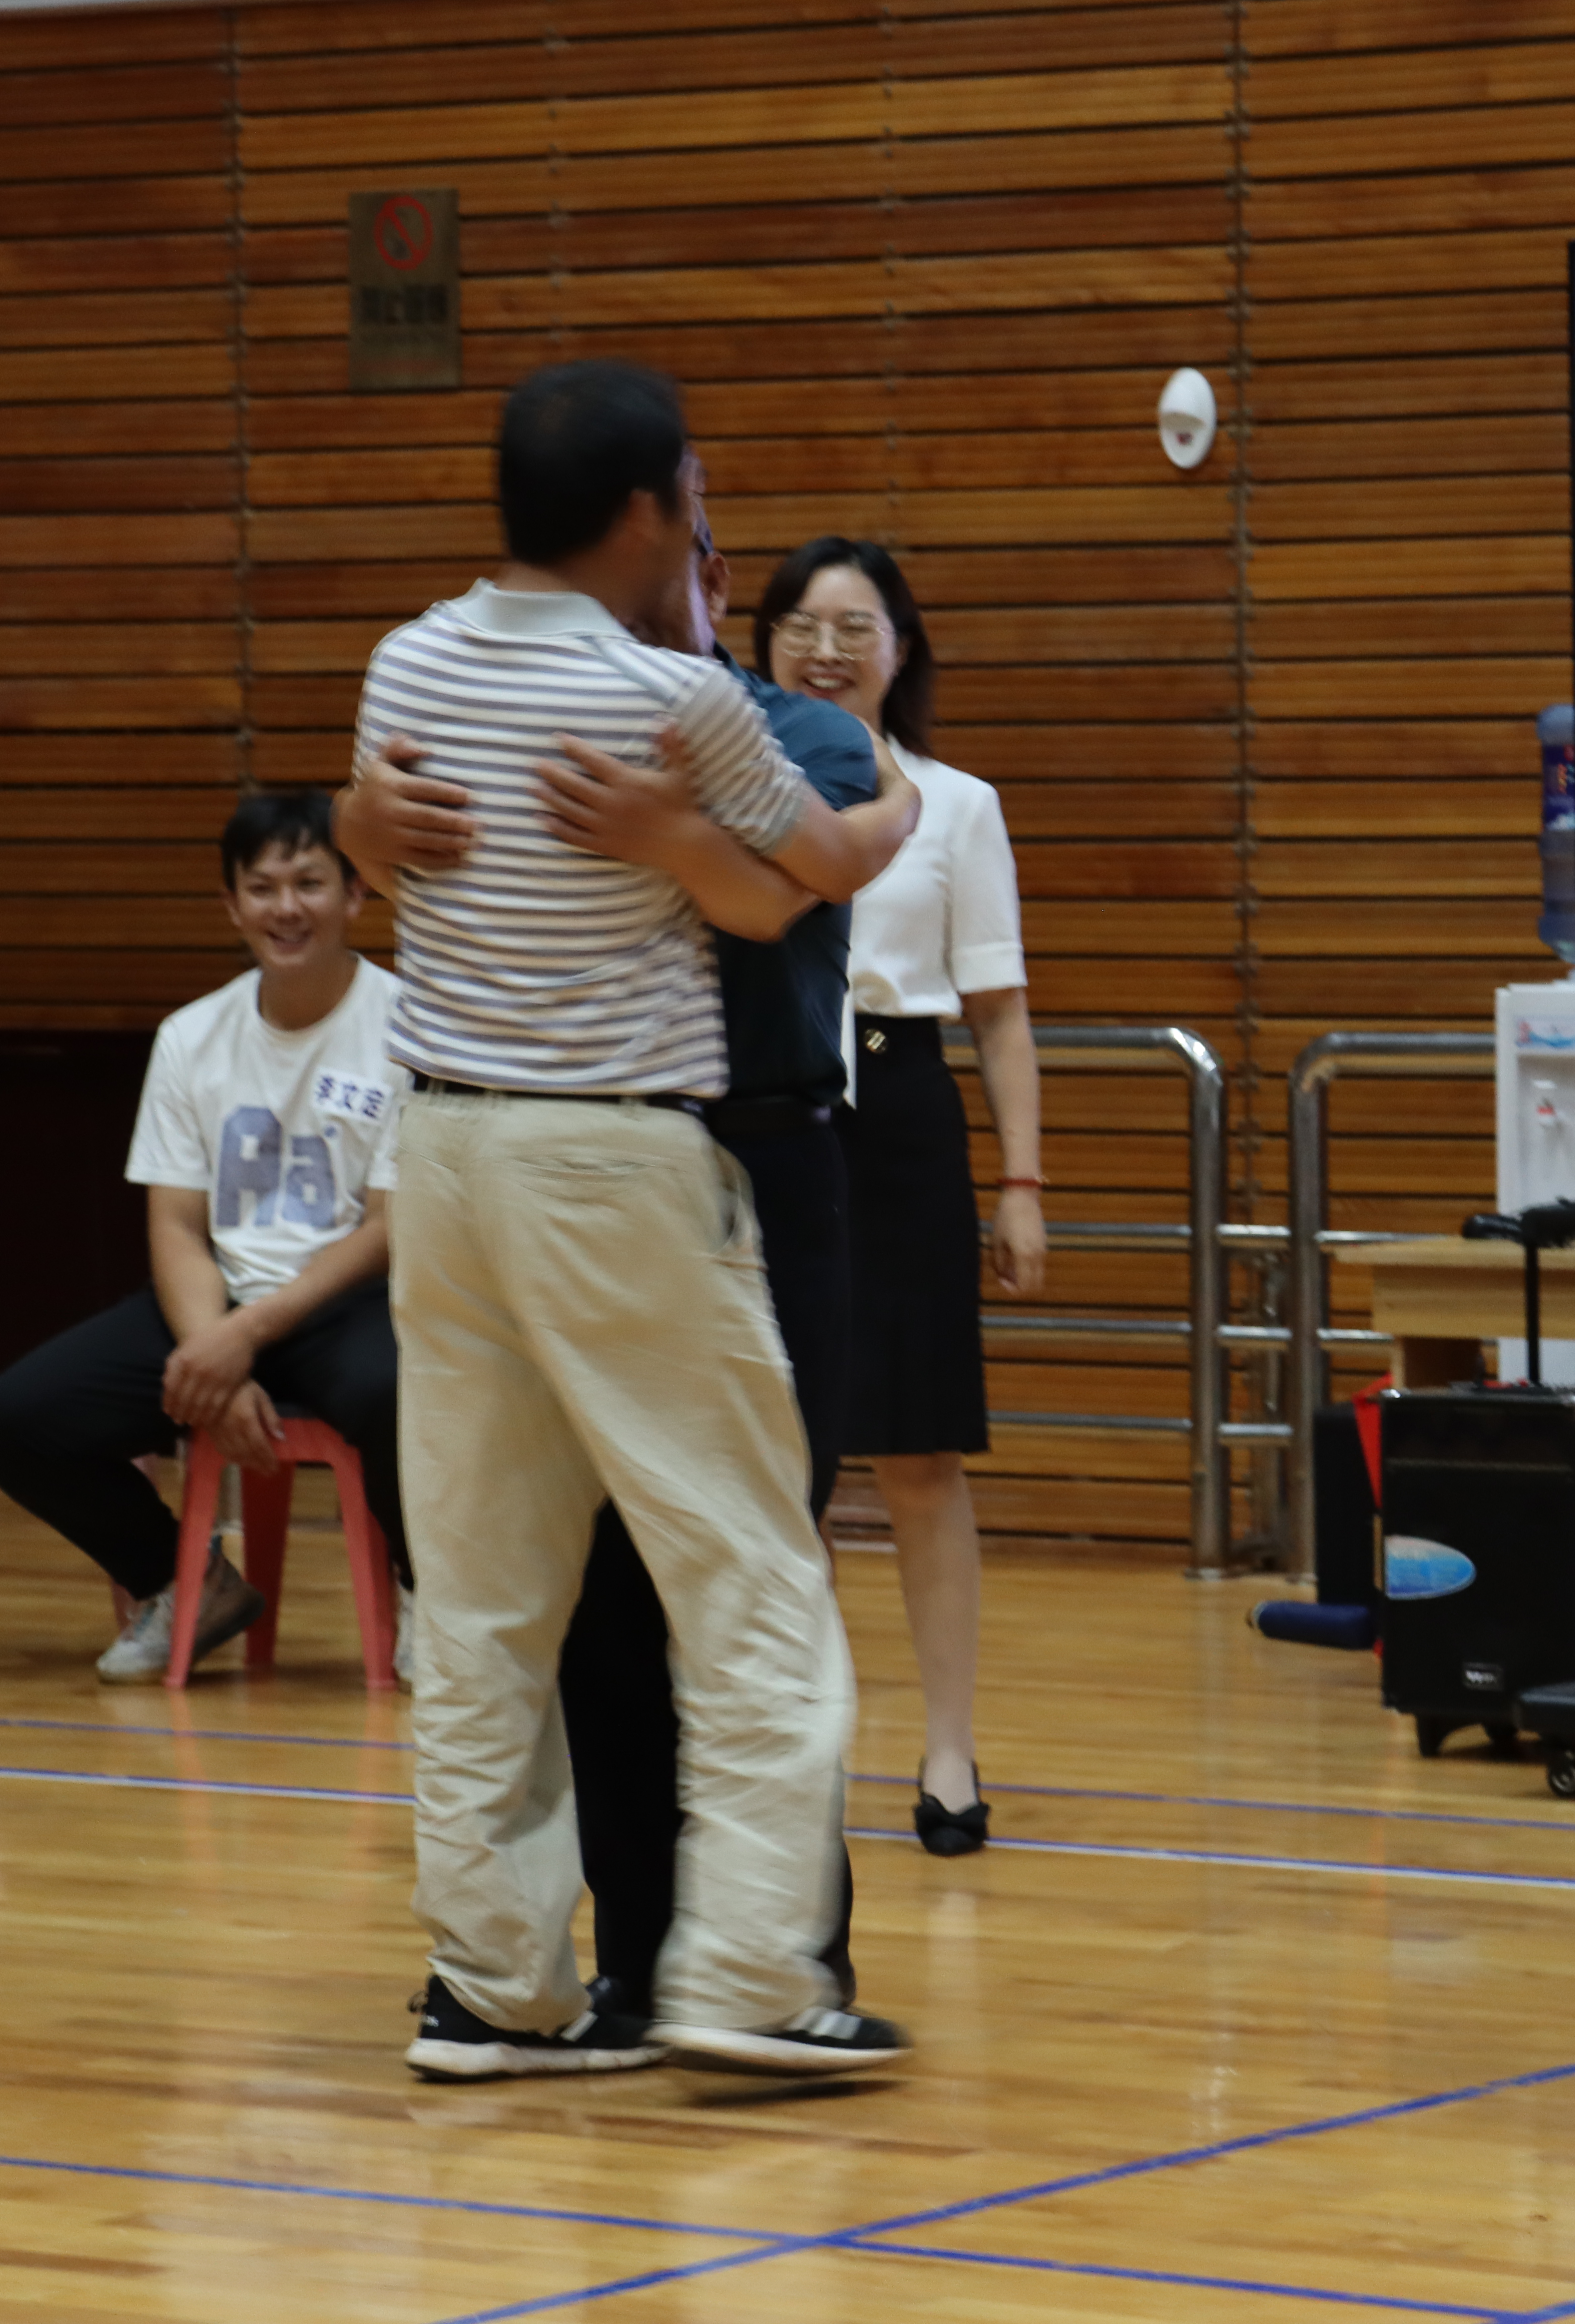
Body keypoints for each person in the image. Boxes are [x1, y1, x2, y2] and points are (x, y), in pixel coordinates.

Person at [351, 359, 917, 2082]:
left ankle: (496, 1988)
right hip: (614, 1170)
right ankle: (747, 1975)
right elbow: (807, 871)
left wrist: (362, 828)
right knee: (749, 1572)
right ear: (641, 512)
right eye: (692, 491)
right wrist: (829, 817)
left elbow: (382, 857)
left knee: (482, 1598)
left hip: (441, 1163)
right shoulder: (674, 694)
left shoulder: (408, 663)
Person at [0, 792, 409, 1685]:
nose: (287, 909)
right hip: (219, 1298)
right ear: (233, 905)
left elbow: (393, 1229)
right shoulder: (191, 1037)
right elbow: (175, 1224)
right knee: (21, 1420)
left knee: (407, 1389)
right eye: (263, 888)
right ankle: (183, 1579)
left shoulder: (408, 1026)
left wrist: (243, 1342)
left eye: (310, 884)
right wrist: (216, 1341)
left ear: (356, 895)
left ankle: (427, 1592)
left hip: (347, 1300)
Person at [758, 536, 1045, 1855]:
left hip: (905, 1117)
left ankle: (945, 1750)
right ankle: (791, 1750)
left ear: (901, 648)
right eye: (802, 624)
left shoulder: (959, 805)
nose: (826, 647)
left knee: (921, 1457)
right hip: (765, 1122)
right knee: (775, 1464)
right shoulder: (728, 793)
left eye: (854, 625)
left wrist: (1022, 1183)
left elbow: (998, 1016)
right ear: (762, 644)